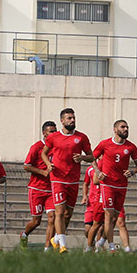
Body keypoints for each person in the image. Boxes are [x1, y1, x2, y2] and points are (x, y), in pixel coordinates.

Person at [42, 108, 94, 254]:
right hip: (58, 179)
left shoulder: (81, 138)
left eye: (73, 118)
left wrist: (82, 158)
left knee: (68, 214)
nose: (72, 120)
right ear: (62, 121)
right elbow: (43, 153)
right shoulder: (53, 137)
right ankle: (63, 246)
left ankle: (56, 239)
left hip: (73, 179)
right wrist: (48, 164)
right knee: (59, 212)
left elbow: (91, 156)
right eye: (69, 118)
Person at [92, 119, 137, 253]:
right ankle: (112, 247)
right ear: (115, 129)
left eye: (127, 127)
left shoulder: (131, 147)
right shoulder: (105, 144)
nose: (126, 129)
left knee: (115, 218)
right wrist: (98, 172)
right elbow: (92, 158)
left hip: (122, 185)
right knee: (109, 216)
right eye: (123, 127)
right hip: (108, 184)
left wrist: (132, 171)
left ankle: (101, 241)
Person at [20, 121, 57, 251]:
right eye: (51, 131)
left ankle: (48, 248)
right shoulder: (36, 147)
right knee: (36, 221)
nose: (54, 133)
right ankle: (24, 234)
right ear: (44, 133)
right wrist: (42, 172)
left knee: (52, 218)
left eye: (55, 131)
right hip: (36, 188)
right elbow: (26, 165)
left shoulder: (56, 147)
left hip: (51, 189)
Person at [83, 159, 106, 252]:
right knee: (87, 229)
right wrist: (85, 196)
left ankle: (97, 248)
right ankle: (92, 245)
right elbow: (85, 183)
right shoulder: (90, 169)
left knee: (100, 228)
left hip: (101, 201)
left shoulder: (107, 167)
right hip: (91, 202)